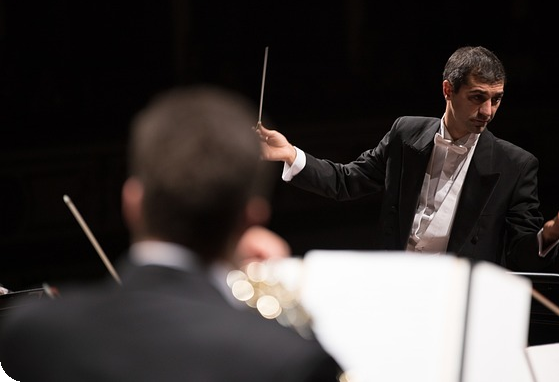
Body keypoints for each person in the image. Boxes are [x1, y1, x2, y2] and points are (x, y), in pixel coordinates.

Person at [0, 85, 342, 382]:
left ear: (131, 203)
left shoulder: (31, 336)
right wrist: (284, 308)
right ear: (251, 220)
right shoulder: (290, 360)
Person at [256, 45, 559, 271]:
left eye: (496, 100)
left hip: (458, 296)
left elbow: (520, 254)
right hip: (398, 281)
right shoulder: (406, 133)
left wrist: (548, 235)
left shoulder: (515, 164)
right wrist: (291, 154)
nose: (487, 111)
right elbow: (347, 181)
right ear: (448, 90)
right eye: (477, 97)